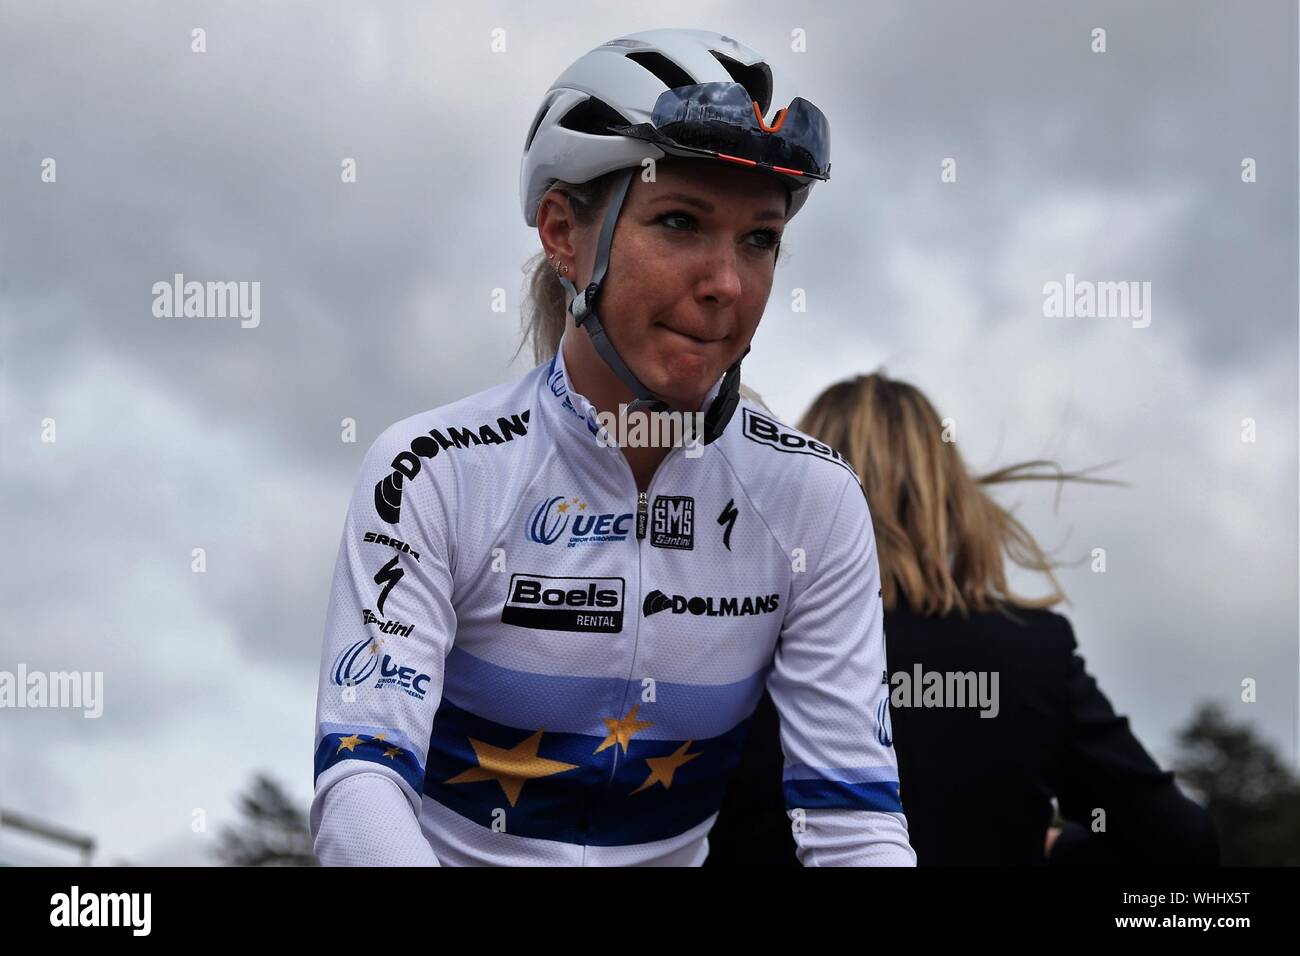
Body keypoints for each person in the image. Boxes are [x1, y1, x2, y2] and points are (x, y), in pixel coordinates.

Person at [310, 28, 916, 866]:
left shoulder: (811, 499)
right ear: (563, 232)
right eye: (680, 222)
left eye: (760, 239)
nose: (726, 284)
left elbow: (853, 825)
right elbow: (360, 787)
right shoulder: (435, 471)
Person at [705, 372, 1221, 866]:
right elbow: (1182, 843)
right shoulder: (1031, 651)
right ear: (951, 496)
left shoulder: (741, 637)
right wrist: (1054, 850)